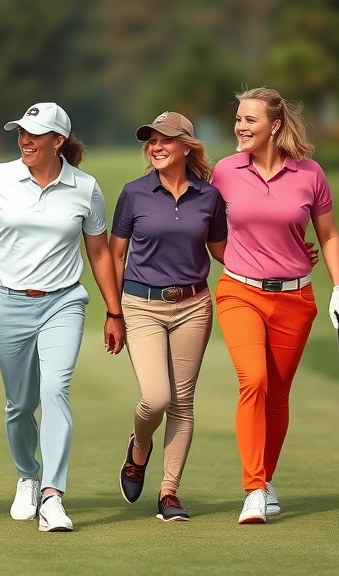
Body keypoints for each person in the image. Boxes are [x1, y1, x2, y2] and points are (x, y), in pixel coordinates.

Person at [0, 102, 125, 533]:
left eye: (34, 134)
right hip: (7, 303)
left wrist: (114, 311)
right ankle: (27, 476)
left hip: (63, 303)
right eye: (21, 133)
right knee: (20, 404)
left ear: (58, 141)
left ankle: (53, 495)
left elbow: (99, 253)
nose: (24, 140)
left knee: (55, 389)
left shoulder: (85, 188)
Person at [210, 87, 339, 524]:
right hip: (240, 292)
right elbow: (210, 231)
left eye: (249, 120)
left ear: (274, 125)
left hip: (296, 298)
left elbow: (328, 234)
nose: (240, 126)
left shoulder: (309, 173)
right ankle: (254, 489)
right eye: (238, 118)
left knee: (277, 395)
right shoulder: (225, 171)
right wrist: (242, 257)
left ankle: (267, 478)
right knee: (253, 380)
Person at [108, 112, 227, 522]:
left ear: (186, 147)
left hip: (193, 306)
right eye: (152, 141)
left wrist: (283, 258)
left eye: (166, 140)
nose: (156, 147)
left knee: (183, 402)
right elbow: (116, 255)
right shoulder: (134, 193)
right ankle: (139, 448)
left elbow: (223, 251)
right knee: (156, 398)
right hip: (141, 305)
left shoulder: (209, 196)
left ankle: (169, 492)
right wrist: (113, 312)